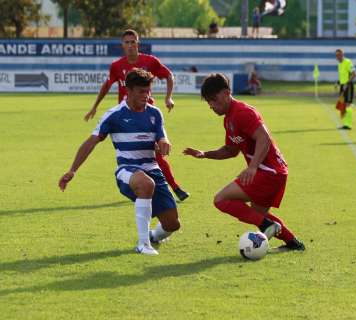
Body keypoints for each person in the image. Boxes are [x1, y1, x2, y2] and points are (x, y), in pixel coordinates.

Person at [59, 69, 181, 255]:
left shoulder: (155, 113)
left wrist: (164, 143)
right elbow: (90, 142)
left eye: (148, 91)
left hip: (152, 169)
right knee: (146, 184)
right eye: (141, 91)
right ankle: (143, 244)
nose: (146, 95)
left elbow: (162, 138)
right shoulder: (114, 114)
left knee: (172, 224)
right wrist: (72, 170)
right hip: (127, 170)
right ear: (128, 91)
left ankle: (153, 236)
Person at [183, 73, 305, 251]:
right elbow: (230, 151)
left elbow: (264, 138)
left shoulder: (242, 112)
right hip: (274, 172)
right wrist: (205, 154)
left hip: (268, 172)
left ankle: (266, 227)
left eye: (213, 100)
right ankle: (294, 244)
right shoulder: (229, 119)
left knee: (221, 199)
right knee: (258, 214)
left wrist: (253, 167)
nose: (211, 105)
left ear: (226, 93)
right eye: (208, 101)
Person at [84, 29, 189, 201]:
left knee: (155, 154)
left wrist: (168, 97)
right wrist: (95, 106)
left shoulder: (150, 61)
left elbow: (168, 75)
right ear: (122, 45)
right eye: (127, 42)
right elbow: (107, 85)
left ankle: (172, 188)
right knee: (141, 157)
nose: (131, 45)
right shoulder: (117, 66)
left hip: (147, 115)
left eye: (133, 42)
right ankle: (156, 188)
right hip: (125, 119)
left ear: (138, 44)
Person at [335, 49, 356, 130]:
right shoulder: (339, 64)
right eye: (336, 55)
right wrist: (338, 83)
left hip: (348, 86)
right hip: (342, 86)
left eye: (339, 55)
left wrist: (347, 83)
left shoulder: (348, 62)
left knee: (348, 104)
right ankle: (345, 124)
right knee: (343, 105)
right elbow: (342, 76)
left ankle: (348, 125)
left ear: (342, 54)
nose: (338, 57)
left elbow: (355, 74)